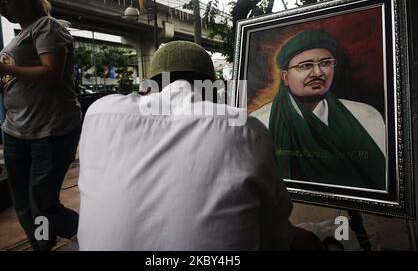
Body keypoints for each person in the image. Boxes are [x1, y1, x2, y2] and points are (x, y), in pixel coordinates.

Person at [78, 40, 322, 251]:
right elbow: (276, 229)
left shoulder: (99, 114)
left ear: (147, 86)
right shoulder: (246, 128)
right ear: (214, 89)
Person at [0, 0, 82, 250]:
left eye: (5, 1)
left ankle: (98, 233)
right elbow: (26, 79)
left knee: (43, 203)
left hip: (50, 131)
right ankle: (42, 247)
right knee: (24, 203)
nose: (2, 10)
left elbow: (51, 74)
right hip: (15, 131)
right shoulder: (20, 35)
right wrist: (1, 84)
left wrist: (4, 68)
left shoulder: (46, 27)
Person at [251, 29, 386, 190]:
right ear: (286, 77)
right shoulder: (260, 122)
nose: (318, 73)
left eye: (325, 63)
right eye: (306, 65)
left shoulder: (366, 116)